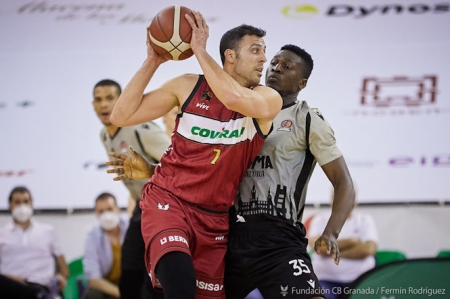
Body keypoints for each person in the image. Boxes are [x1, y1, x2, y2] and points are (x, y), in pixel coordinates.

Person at [108, 10, 282, 299]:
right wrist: (153, 60)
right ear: (230, 55)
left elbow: (232, 98)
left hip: (214, 218)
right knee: (181, 288)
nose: (264, 59)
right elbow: (122, 114)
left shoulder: (267, 99)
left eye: (264, 51)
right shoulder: (187, 85)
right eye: (256, 50)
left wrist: (199, 50)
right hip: (168, 202)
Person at [224, 44, 355, 299]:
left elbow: (343, 183)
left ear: (302, 83)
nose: (276, 69)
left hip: (278, 238)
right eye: (274, 63)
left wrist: (331, 231)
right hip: (230, 235)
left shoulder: (307, 119)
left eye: (287, 67)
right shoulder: (239, 113)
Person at [92, 79, 171, 299]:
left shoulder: (140, 128)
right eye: (98, 100)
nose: (104, 105)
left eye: (110, 98)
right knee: (129, 273)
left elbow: (178, 165)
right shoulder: (105, 135)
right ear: (93, 105)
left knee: (154, 279)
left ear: (121, 101)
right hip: (141, 207)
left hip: (163, 209)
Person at [0, 186, 69, 299]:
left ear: (32, 203)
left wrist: (61, 277)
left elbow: (64, 268)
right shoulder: (2, 233)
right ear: (9, 205)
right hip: (9, 286)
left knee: (36, 291)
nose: (22, 206)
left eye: (26, 201)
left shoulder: (47, 231)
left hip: (40, 285)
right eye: (17, 202)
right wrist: (8, 277)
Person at [308, 195, 378, 299]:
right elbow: (317, 247)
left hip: (361, 280)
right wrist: (352, 242)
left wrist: (332, 251)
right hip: (325, 280)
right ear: (331, 200)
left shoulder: (365, 220)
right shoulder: (319, 220)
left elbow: (368, 249)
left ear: (355, 201)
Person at [83, 192, 129, 299]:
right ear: (96, 214)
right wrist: (121, 294)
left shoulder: (131, 228)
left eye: (109, 209)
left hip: (133, 281)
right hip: (109, 286)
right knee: (92, 294)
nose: (106, 215)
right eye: (101, 211)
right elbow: (93, 278)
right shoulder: (92, 237)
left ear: (117, 209)